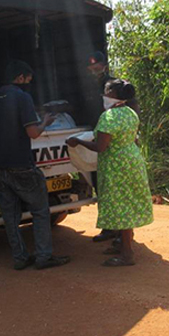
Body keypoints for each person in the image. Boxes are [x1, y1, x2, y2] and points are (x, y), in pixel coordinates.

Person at [0, 60, 70, 270]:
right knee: (40, 211)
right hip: (21, 164)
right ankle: (44, 257)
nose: (28, 83)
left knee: (10, 216)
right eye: (28, 79)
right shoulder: (23, 98)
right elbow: (32, 133)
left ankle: (20, 257)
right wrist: (45, 122)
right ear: (20, 77)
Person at [66, 79, 153, 266]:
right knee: (127, 202)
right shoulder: (130, 112)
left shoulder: (109, 117)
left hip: (116, 165)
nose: (103, 96)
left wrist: (77, 141)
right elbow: (132, 138)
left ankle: (127, 254)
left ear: (112, 94)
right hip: (132, 161)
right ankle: (122, 245)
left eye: (105, 92)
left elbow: (100, 147)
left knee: (121, 205)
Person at [86, 51, 140, 243]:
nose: (94, 71)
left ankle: (123, 235)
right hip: (99, 138)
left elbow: (132, 110)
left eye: (97, 67)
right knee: (101, 187)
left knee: (120, 191)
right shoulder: (88, 87)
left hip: (116, 143)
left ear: (104, 66)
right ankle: (109, 227)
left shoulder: (115, 86)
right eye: (91, 68)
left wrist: (132, 133)